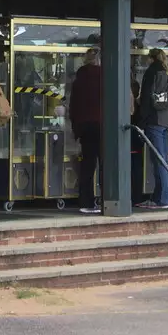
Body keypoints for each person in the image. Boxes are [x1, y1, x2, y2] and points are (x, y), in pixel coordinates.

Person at [135, 48, 168, 210]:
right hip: (166, 121)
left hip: (154, 121)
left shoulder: (152, 72)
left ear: (151, 58)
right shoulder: (167, 72)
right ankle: (162, 196)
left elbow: (146, 100)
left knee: (158, 161)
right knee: (164, 160)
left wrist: (141, 123)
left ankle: (161, 199)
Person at [69, 47, 104, 214]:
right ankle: (108, 199)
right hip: (104, 125)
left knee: (88, 165)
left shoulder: (79, 80)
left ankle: (86, 201)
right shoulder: (106, 77)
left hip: (85, 127)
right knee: (106, 164)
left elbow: (73, 106)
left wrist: (76, 128)